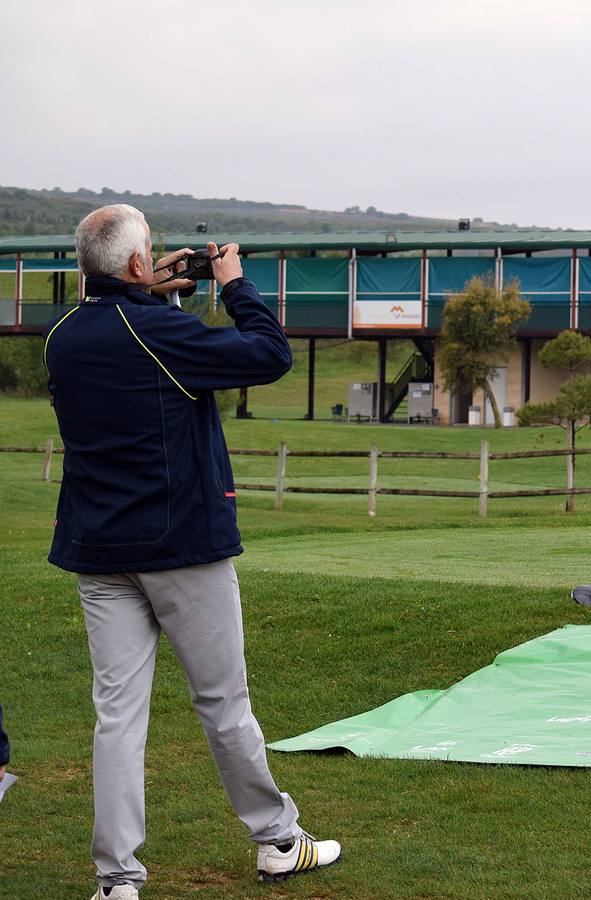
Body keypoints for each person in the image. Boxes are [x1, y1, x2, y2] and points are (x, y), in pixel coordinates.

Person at [45, 205, 341, 900]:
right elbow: (269, 354)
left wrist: (154, 289)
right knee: (223, 705)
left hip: (98, 549)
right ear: (139, 265)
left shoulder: (61, 337)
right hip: (182, 546)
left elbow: (125, 332)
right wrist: (234, 285)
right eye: (152, 255)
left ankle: (117, 881)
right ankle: (276, 842)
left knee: (117, 718)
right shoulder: (162, 332)